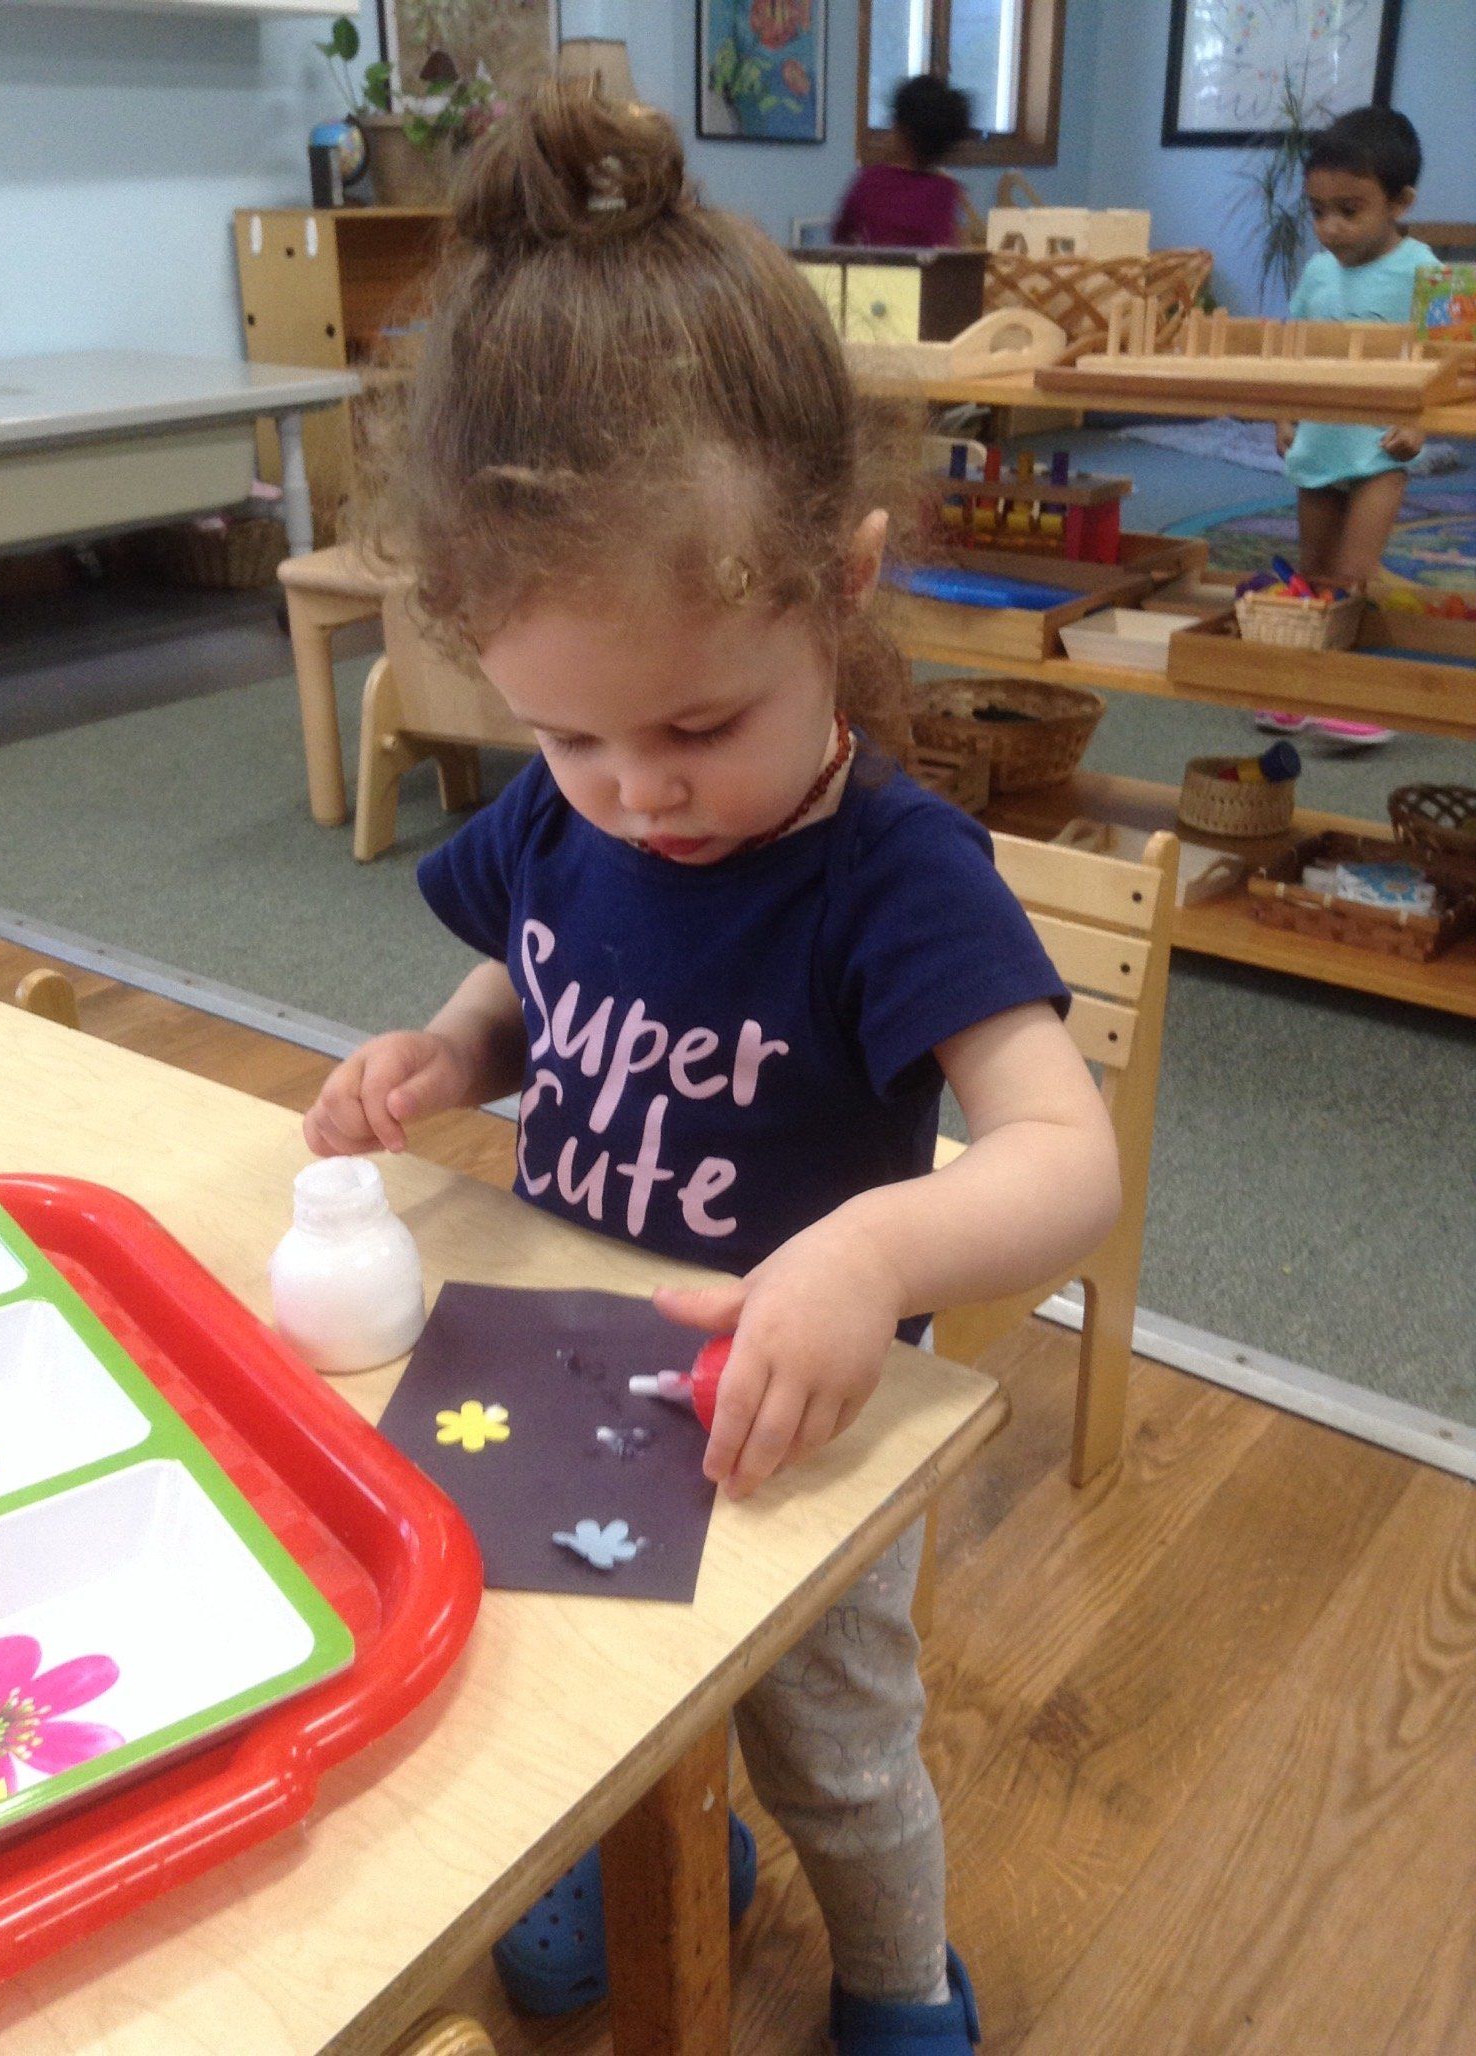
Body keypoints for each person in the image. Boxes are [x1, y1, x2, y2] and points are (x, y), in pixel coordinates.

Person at [304, 81, 1120, 2055]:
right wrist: (439, 1047)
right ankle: (657, 1850)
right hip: (573, 1357)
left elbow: (1060, 1156)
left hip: (803, 1404)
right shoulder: (577, 820)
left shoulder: (889, 866)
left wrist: (859, 1256)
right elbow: (532, 971)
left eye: (694, 722)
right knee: (569, 1686)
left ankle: (892, 1972)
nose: (634, 794)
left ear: (836, 589)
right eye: (568, 740)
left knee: (834, 1745)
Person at [1260, 105, 1438, 746]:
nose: (1329, 228)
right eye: (1317, 211)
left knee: (1351, 579)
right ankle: (1303, 688)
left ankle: (1348, 693)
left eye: (1350, 210)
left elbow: (1446, 364)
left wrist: (1419, 425)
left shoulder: (1426, 272)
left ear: (1400, 202)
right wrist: (1284, 413)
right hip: (1318, 447)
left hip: (1378, 455)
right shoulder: (1315, 272)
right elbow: (1294, 348)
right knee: (1312, 578)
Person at [833, 74, 974, 248]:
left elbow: (840, 238)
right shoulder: (945, 191)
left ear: (901, 130)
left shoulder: (870, 181)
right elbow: (950, 250)